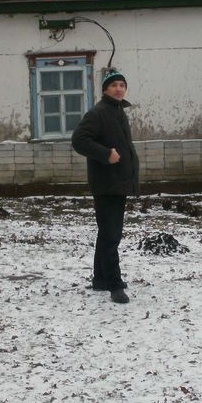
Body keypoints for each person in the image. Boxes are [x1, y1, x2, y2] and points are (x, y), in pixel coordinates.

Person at [71, 69, 140, 304]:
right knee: (112, 235)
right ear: (105, 90)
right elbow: (79, 140)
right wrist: (105, 154)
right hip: (107, 182)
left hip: (118, 182)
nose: (119, 89)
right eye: (114, 85)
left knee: (107, 233)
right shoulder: (99, 112)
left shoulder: (117, 111)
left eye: (122, 85)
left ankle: (101, 279)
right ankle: (114, 284)